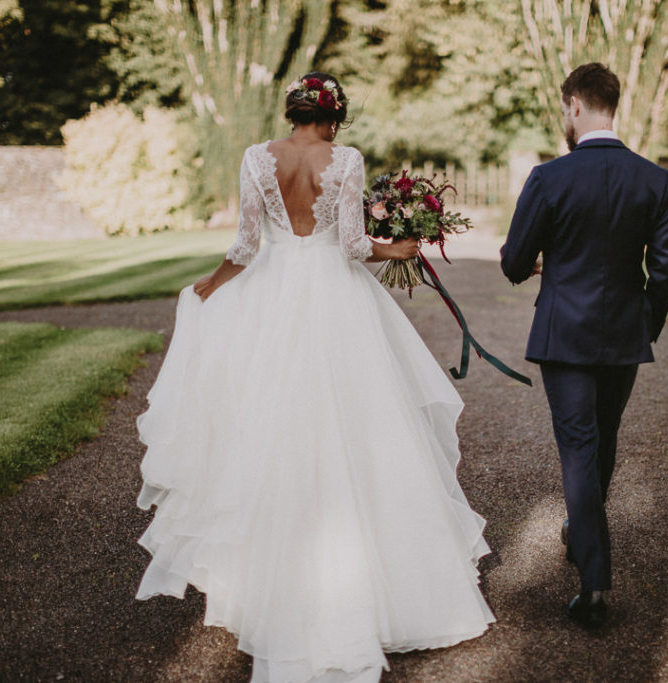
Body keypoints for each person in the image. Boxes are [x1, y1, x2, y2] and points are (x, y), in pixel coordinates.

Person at [134, 72, 494, 682]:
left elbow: (246, 245)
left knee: (269, 428)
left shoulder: (256, 158)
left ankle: (268, 582)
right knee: (361, 428)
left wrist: (212, 287)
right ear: (333, 118)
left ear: (292, 111)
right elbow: (353, 246)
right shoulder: (345, 159)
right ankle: (380, 587)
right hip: (335, 299)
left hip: (272, 300)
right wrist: (399, 250)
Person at [499, 62, 668, 627]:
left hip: (564, 335)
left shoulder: (548, 178)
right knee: (603, 440)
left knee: (580, 448)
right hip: (624, 336)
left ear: (574, 105)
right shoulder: (653, 178)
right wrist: (641, 324)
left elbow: (510, 262)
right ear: (612, 104)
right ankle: (583, 536)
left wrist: (536, 264)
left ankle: (596, 583)